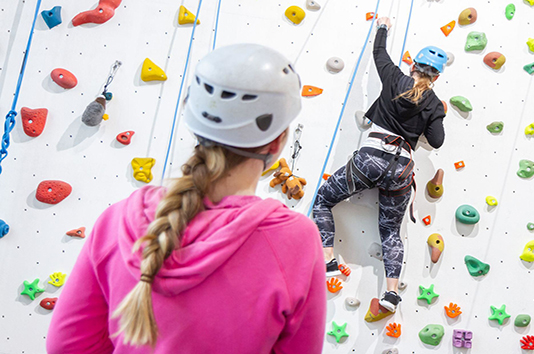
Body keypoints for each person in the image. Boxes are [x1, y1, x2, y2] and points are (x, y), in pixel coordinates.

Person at [46, 44, 326, 354]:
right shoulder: (294, 240)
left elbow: (67, 346)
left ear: (194, 122)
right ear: (276, 141)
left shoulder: (118, 219)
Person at [312, 16, 447, 313]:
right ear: (436, 76)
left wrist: (383, 27)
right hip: (401, 170)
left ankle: (329, 261)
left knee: (323, 200)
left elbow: (379, 53)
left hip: (371, 158)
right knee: (389, 233)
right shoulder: (435, 103)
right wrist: (432, 116)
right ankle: (391, 295)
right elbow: (436, 141)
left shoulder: (395, 77)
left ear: (414, 65)